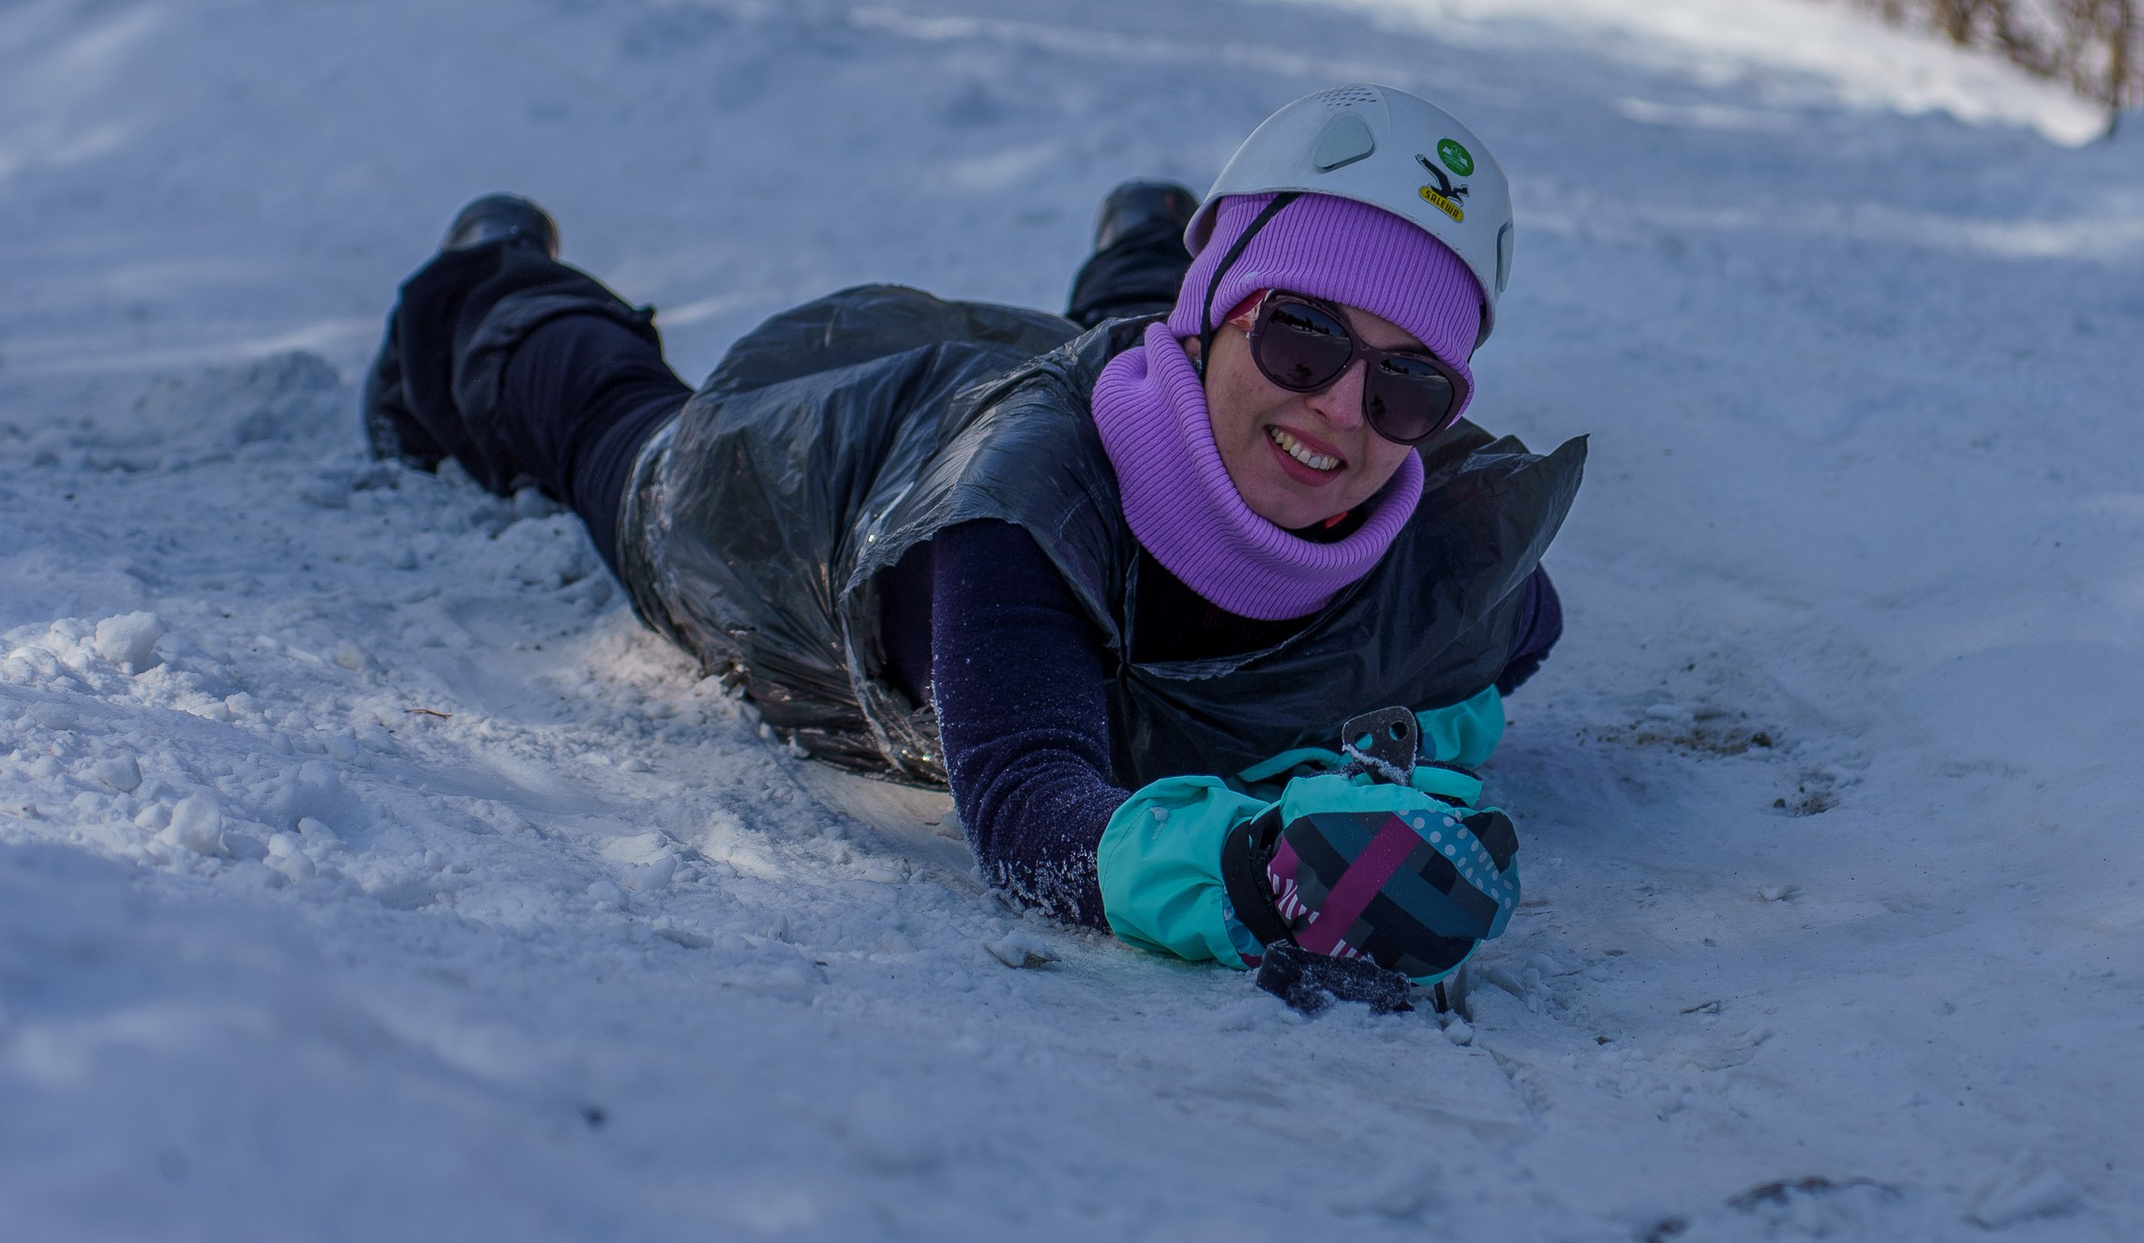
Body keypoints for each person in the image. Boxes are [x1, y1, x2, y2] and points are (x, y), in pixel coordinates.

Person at [360, 87, 1582, 995]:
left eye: (1406, 386)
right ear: (1218, 316)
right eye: (1302, 339)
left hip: (1126, 392)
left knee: (1176, 388)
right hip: (823, 504)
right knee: (621, 442)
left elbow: (1502, 631)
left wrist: (1424, 730)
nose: (1337, 410)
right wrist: (1260, 866)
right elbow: (1028, 808)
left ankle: (1142, 249)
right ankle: (488, 286)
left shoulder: (1431, 537)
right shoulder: (1011, 523)